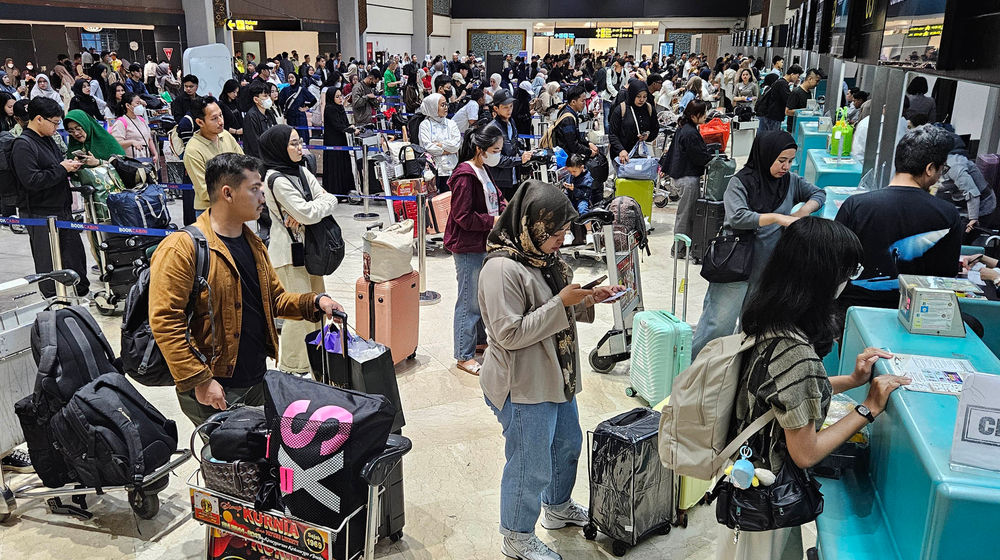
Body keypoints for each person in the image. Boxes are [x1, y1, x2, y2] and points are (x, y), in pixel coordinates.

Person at [716, 216, 910, 560]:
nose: (848, 281)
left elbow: (783, 396)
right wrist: (868, 408)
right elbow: (806, 452)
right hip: (769, 496)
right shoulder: (798, 356)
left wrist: (850, 381)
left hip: (746, 477)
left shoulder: (766, 321)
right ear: (823, 279)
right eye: (847, 271)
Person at [479, 180, 623, 560]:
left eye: (565, 231)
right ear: (533, 227)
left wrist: (588, 297)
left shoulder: (542, 260)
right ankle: (516, 534)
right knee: (530, 465)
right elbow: (509, 333)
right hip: (523, 384)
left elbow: (553, 310)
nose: (562, 239)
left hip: (556, 375)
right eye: (556, 232)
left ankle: (557, 507)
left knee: (566, 446)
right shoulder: (501, 270)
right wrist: (562, 302)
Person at [149, 152, 345, 426]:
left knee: (257, 461)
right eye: (254, 189)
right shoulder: (181, 248)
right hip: (214, 387)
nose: (262, 198)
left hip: (254, 377)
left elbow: (274, 299)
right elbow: (166, 321)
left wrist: (315, 302)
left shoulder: (253, 242)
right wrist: (200, 379)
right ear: (227, 193)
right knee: (226, 465)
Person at [691, 131, 826, 357]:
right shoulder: (740, 182)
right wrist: (776, 217)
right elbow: (738, 217)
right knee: (717, 325)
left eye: (791, 161)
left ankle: (734, 375)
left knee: (751, 327)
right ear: (765, 155)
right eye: (781, 160)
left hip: (766, 269)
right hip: (733, 266)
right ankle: (696, 369)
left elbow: (819, 194)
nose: (786, 166)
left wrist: (802, 211)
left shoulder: (790, 182)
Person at [836, 125, 962, 311]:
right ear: (929, 168)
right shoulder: (948, 214)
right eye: (941, 169)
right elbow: (944, 278)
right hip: (913, 315)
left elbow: (833, 262)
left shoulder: (856, 205)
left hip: (852, 311)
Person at [259, 125, 340, 375]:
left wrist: (311, 208)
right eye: (293, 144)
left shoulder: (302, 170)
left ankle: (313, 360)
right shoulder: (275, 179)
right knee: (299, 313)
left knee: (317, 307)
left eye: (299, 142)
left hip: (312, 251)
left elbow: (330, 199)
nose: (299, 147)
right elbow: (305, 212)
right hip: (289, 255)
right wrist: (309, 210)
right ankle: (291, 368)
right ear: (278, 148)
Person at [11, 97, 90, 298]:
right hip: (39, 213)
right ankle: (53, 300)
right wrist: (61, 169)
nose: (57, 127)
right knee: (48, 262)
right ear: (38, 119)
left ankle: (79, 293)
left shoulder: (47, 140)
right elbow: (32, 180)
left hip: (61, 209)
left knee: (74, 256)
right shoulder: (23, 145)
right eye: (54, 122)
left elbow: (55, 168)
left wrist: (68, 167)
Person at [444, 124, 506, 376]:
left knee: (481, 297)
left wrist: (506, 208)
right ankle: (463, 354)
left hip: (484, 242)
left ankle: (478, 342)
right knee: (469, 300)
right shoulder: (465, 175)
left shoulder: (483, 170)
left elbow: (496, 197)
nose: (497, 154)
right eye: (494, 149)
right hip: (468, 246)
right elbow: (462, 216)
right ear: (480, 149)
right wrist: (491, 221)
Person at [183, 96, 245, 217]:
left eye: (221, 115)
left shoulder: (225, 135)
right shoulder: (193, 150)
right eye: (214, 118)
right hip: (210, 211)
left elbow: (243, 164)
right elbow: (205, 191)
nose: (221, 121)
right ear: (200, 122)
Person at [664, 101, 712, 247]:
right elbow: (699, 157)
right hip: (687, 179)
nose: (705, 116)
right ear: (693, 116)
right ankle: (678, 248)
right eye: (702, 114)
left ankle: (684, 247)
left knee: (687, 214)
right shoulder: (690, 133)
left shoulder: (684, 128)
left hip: (681, 175)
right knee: (686, 215)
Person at [936, 131, 997, 238]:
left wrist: (973, 218)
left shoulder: (954, 165)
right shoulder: (942, 161)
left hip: (982, 205)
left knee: (960, 236)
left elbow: (972, 192)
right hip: (960, 198)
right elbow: (944, 182)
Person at [487, 90, 533, 201]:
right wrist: (519, 160)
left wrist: (526, 154)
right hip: (498, 181)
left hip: (513, 178)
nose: (509, 110)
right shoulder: (493, 128)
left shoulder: (511, 122)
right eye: (505, 107)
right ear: (496, 109)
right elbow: (496, 160)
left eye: (511, 106)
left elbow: (514, 148)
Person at [608, 80, 658, 165]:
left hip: (641, 155)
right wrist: (621, 150)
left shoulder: (649, 109)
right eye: (638, 96)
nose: (642, 100)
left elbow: (655, 128)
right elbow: (612, 134)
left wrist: (647, 136)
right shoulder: (621, 109)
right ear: (632, 94)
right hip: (622, 156)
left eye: (645, 97)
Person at [418, 93, 462, 190]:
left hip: (453, 168)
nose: (446, 107)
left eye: (446, 104)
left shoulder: (451, 123)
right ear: (432, 107)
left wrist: (439, 144)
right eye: (442, 105)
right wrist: (447, 150)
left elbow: (456, 145)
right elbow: (427, 147)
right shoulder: (425, 125)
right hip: (434, 170)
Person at [321, 88, 356, 197]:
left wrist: (351, 127)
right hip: (333, 142)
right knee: (334, 166)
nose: (340, 98)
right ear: (331, 97)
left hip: (341, 140)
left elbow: (345, 123)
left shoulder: (340, 108)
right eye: (337, 96)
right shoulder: (330, 109)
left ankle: (344, 190)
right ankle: (335, 192)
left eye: (341, 96)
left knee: (343, 164)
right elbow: (337, 125)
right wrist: (351, 129)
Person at [110, 92, 158, 161]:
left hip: (146, 160)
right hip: (131, 163)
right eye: (137, 103)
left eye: (140, 103)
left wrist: (155, 154)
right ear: (128, 105)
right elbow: (116, 143)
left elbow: (149, 139)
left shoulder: (141, 120)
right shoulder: (121, 122)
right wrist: (131, 142)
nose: (140, 106)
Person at [758, 65, 800, 133]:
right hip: (774, 117)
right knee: (773, 139)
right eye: (797, 76)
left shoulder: (781, 82)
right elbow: (789, 100)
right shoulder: (782, 84)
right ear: (792, 74)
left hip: (770, 115)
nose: (798, 78)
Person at [277, 73, 316, 144]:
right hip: (289, 118)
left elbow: (314, 100)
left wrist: (306, 108)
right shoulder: (285, 90)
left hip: (300, 118)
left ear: (296, 78)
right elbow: (280, 103)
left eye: (292, 77)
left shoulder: (302, 90)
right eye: (289, 78)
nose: (290, 79)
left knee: (302, 138)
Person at [242, 82, 277, 159]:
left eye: (268, 95)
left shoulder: (269, 113)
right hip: (257, 160)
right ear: (256, 99)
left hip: (271, 157)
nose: (268, 98)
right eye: (265, 96)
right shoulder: (251, 116)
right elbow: (255, 145)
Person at [785, 68, 822, 133]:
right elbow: (787, 112)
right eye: (817, 81)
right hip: (793, 130)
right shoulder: (796, 92)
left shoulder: (809, 93)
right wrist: (804, 111)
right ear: (810, 79)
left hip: (802, 129)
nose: (817, 84)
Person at [601, 58, 625, 131]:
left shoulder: (625, 72)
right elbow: (609, 85)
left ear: (621, 66)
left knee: (618, 119)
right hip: (608, 98)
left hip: (619, 100)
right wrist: (617, 94)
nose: (615, 63)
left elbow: (626, 83)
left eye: (617, 63)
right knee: (607, 119)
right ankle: (607, 136)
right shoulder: (609, 71)